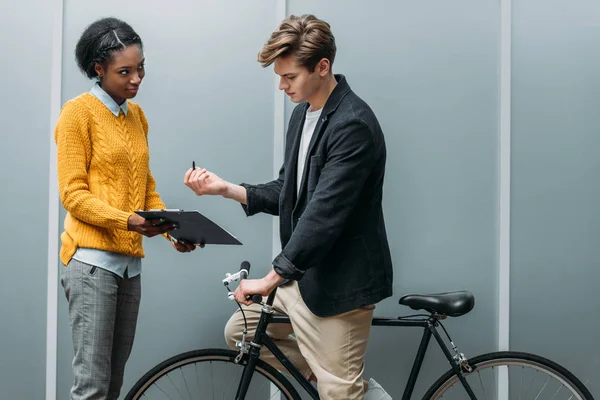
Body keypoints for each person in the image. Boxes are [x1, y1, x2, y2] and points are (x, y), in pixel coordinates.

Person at [185, 14, 393, 399]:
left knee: (339, 393)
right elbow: (290, 191)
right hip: (306, 276)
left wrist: (270, 278)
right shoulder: (303, 115)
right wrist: (224, 189)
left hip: (341, 283)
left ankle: (345, 386)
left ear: (322, 67)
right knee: (241, 332)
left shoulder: (353, 125)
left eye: (289, 77)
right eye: (279, 76)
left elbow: (323, 214)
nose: (281, 86)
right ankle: (345, 382)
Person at [55, 17, 195, 400]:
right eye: (125, 71)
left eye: (141, 67)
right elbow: (73, 195)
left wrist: (172, 230)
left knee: (113, 386)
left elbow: (144, 187)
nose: (137, 79)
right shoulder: (77, 114)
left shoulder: (137, 117)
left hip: (129, 267)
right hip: (91, 266)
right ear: (98, 70)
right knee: (93, 387)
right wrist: (127, 222)